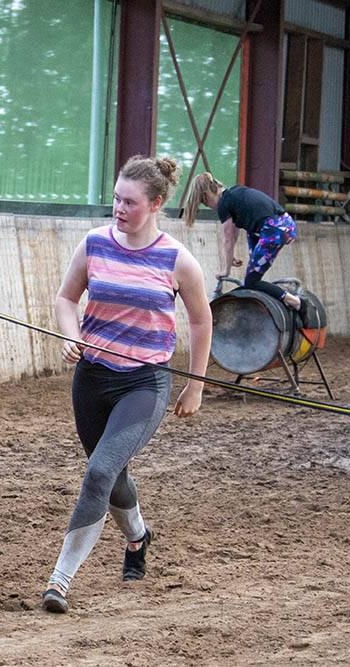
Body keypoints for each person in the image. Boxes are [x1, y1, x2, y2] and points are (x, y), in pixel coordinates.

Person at [42, 156, 213, 614]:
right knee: (111, 475)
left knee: (98, 472)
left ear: (155, 204)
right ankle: (138, 537)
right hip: (92, 379)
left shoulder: (178, 260)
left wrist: (194, 384)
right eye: (116, 198)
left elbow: (200, 320)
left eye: (130, 202)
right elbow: (65, 297)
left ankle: (59, 580)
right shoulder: (95, 244)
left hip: (144, 384)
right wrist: (69, 333)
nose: (119, 208)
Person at [183, 173, 304, 314]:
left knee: (251, 281)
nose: (209, 207)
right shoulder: (232, 194)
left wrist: (225, 270)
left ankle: (293, 301)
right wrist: (230, 256)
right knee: (252, 263)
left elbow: (227, 239)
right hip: (281, 223)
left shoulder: (223, 204)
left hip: (274, 229)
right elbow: (234, 232)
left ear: (206, 196)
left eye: (205, 203)